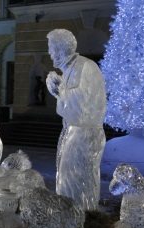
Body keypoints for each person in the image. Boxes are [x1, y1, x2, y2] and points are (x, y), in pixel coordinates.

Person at [46, 29, 107, 211]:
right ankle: (70, 215)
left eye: (51, 48)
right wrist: (58, 89)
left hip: (85, 134)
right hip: (73, 131)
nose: (50, 53)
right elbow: (69, 103)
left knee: (77, 179)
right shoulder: (70, 70)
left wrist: (60, 90)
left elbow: (84, 106)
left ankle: (81, 217)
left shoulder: (86, 67)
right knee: (66, 177)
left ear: (61, 48)